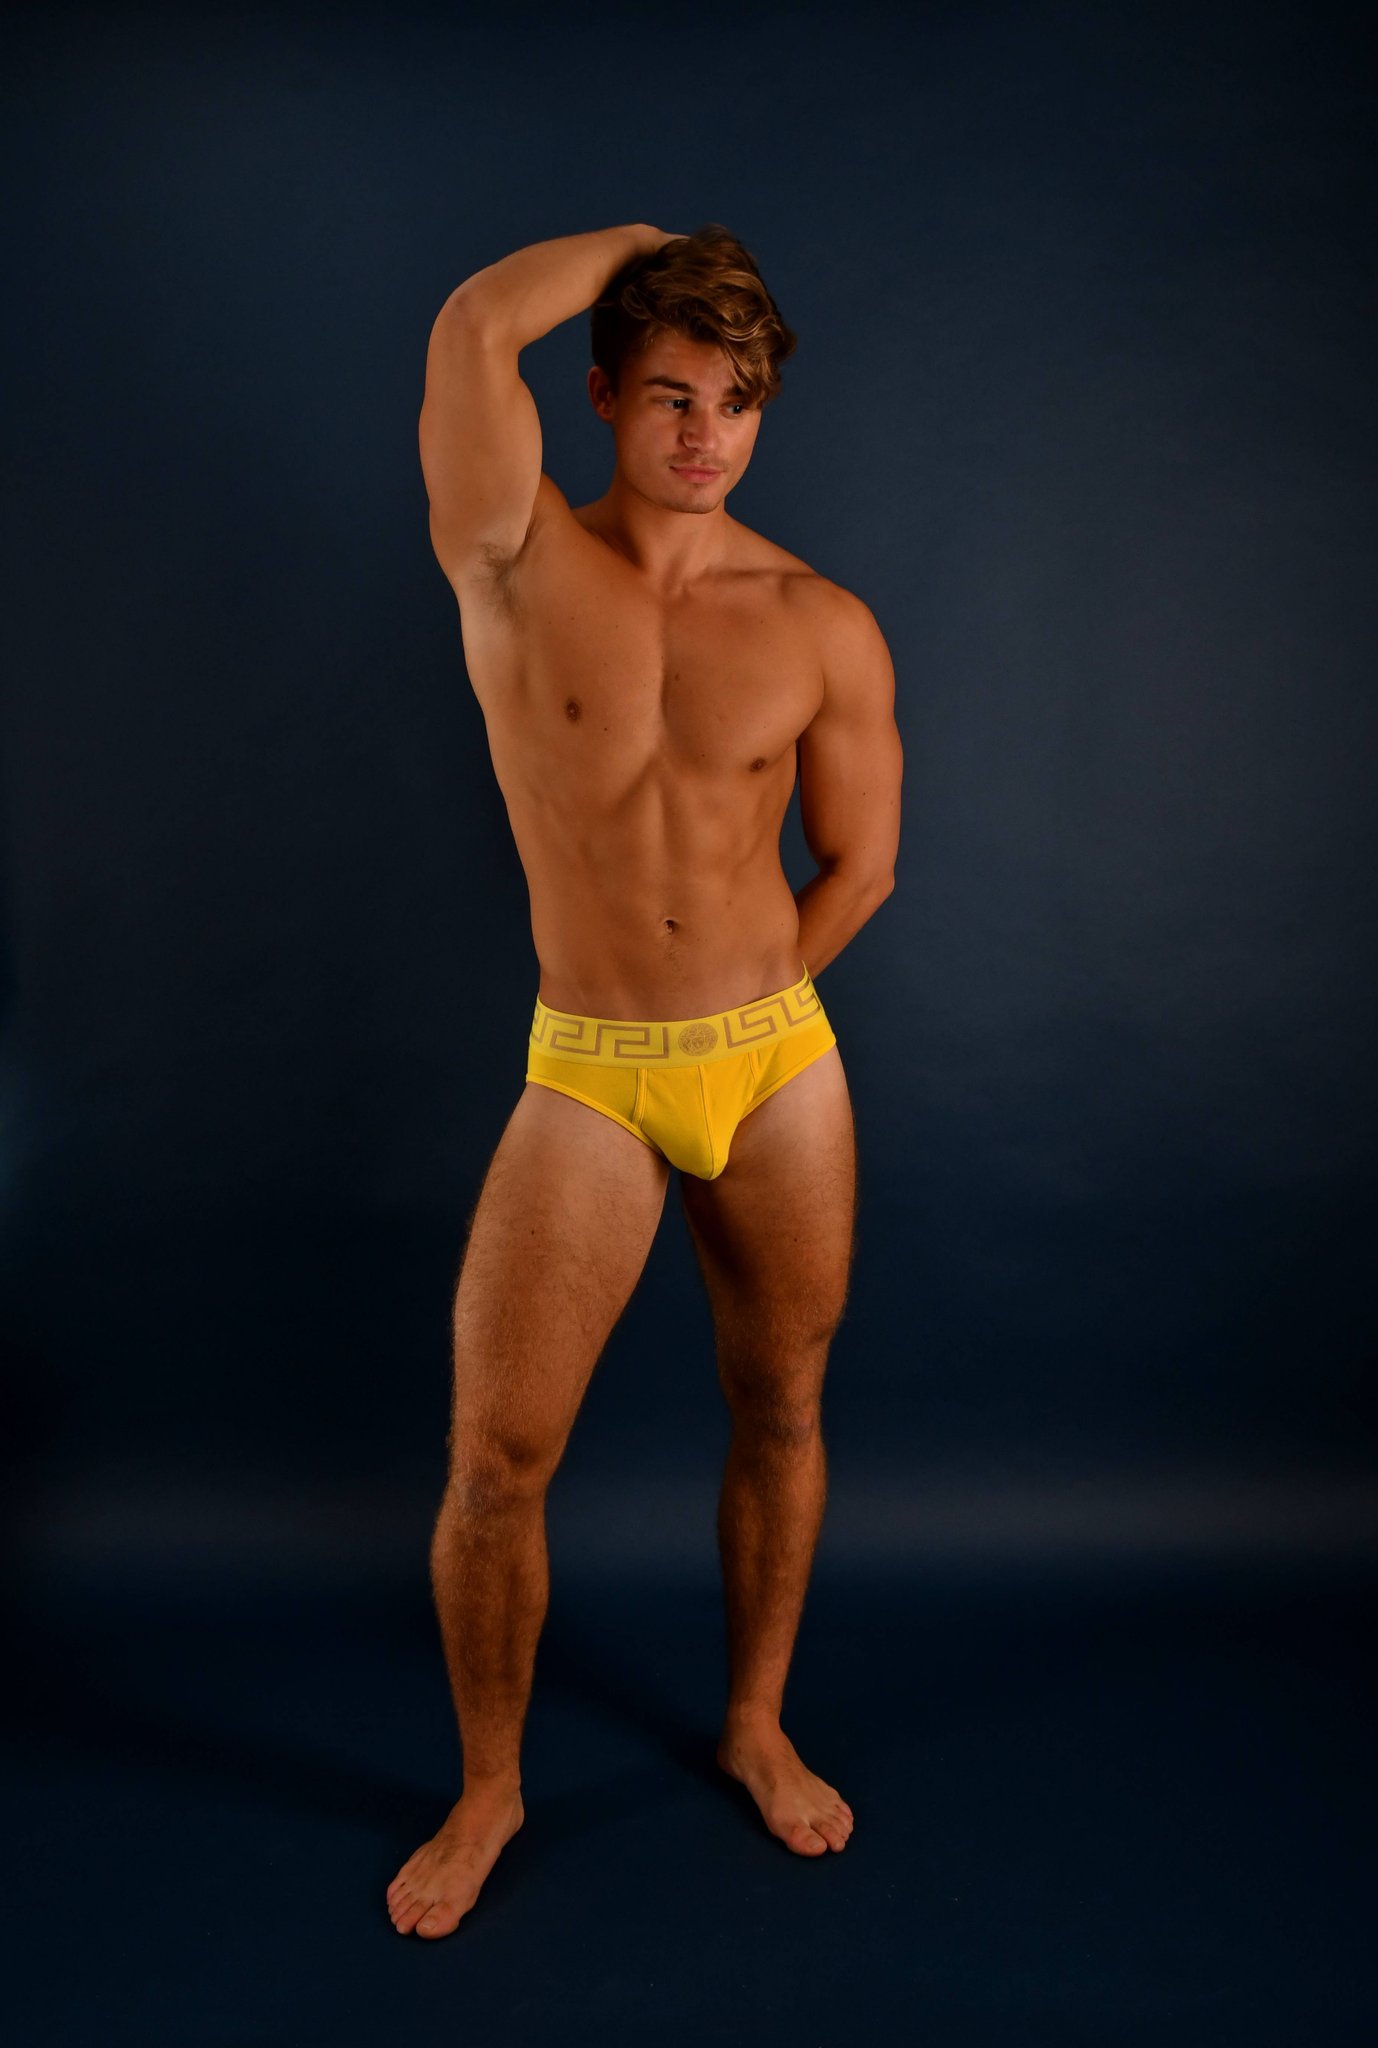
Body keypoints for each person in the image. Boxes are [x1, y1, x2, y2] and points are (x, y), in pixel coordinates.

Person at [387, 222, 903, 1938]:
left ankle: (754, 1723)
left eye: (735, 402)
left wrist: (746, 1011)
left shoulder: (819, 621)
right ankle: (490, 1789)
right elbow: (475, 326)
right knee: (498, 1456)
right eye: (673, 395)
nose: (705, 433)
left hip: (774, 1067)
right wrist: (640, 246)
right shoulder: (510, 555)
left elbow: (861, 864)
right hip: (592, 1070)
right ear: (602, 395)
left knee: (782, 1403)